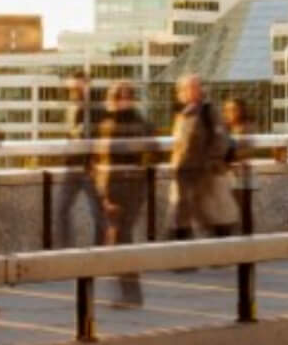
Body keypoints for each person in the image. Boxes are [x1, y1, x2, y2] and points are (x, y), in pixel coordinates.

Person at [91, 81, 158, 307]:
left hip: (124, 188)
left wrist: (109, 194)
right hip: (119, 187)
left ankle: (131, 293)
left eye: (116, 97)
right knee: (119, 237)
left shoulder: (122, 124)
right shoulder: (116, 122)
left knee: (121, 237)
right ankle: (128, 290)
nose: (112, 101)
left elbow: (113, 157)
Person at [170, 74, 236, 242]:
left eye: (194, 87)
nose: (190, 91)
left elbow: (221, 140)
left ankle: (224, 252)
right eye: (185, 88)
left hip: (205, 172)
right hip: (184, 172)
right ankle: (184, 257)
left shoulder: (209, 111)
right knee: (182, 213)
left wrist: (210, 162)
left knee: (213, 213)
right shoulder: (182, 113)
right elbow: (180, 144)